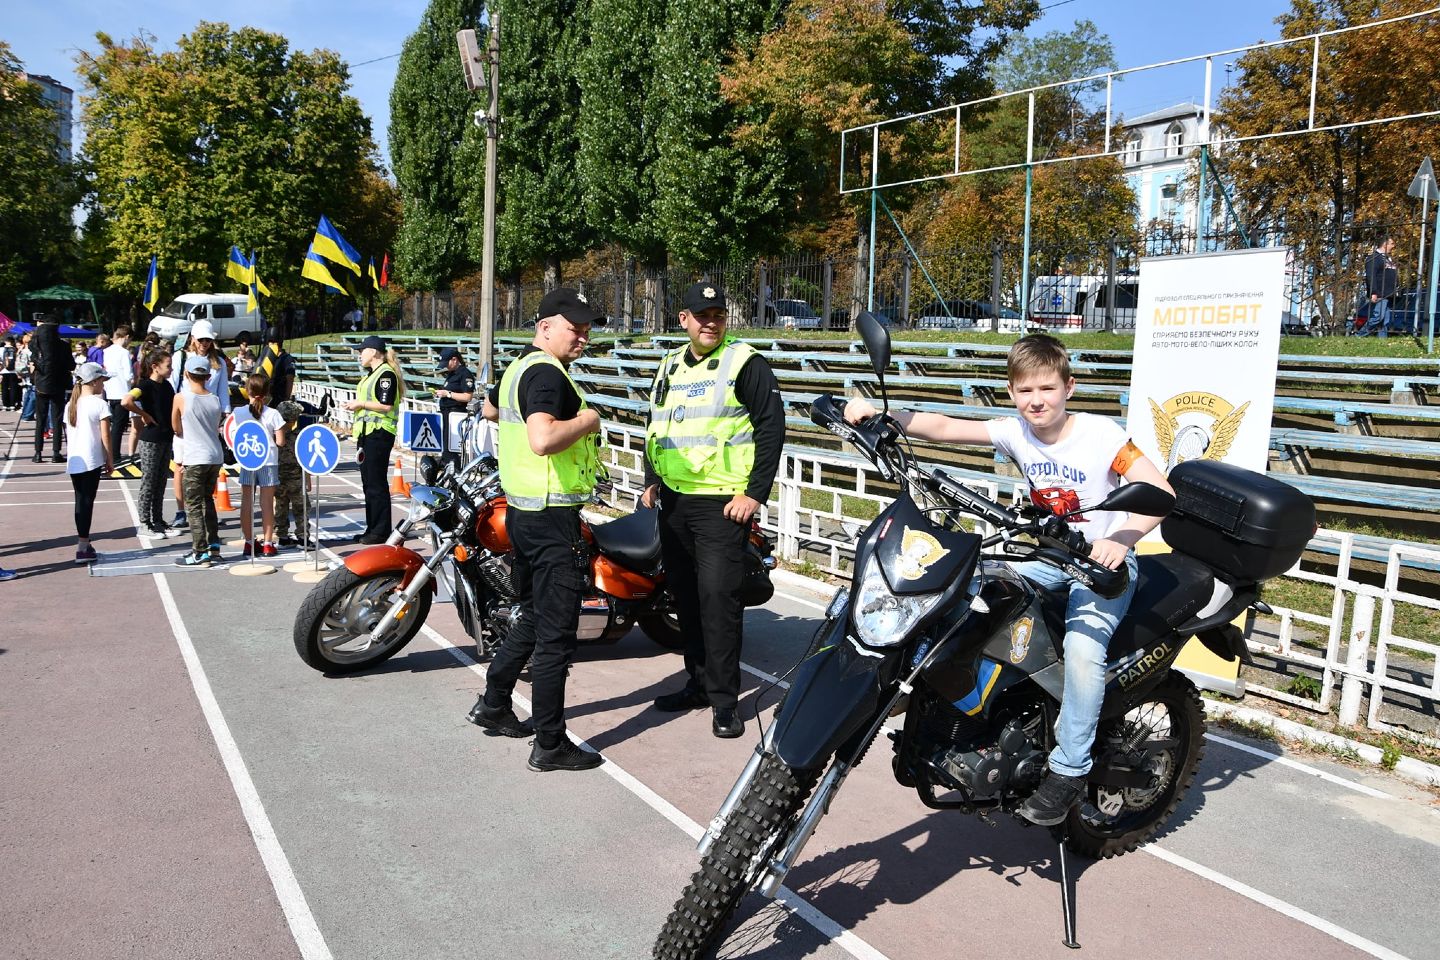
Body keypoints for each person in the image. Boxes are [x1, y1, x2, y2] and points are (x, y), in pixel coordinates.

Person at [843, 333, 1174, 826]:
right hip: (1045, 558)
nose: (1036, 401)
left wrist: (1121, 540)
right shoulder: (1016, 431)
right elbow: (945, 427)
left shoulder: (1102, 436)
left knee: (1084, 651)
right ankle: (935, 712)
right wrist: (882, 415)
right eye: (1024, 391)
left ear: (1069, 387)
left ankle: (1069, 769)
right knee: (964, 598)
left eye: (1046, 388)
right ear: (1012, 393)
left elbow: (1159, 489)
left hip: (1102, 567)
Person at [466, 288, 605, 773]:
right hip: (551, 519)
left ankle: (494, 703)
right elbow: (542, 437)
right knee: (555, 636)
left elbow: (491, 411)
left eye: (587, 329)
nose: (583, 337)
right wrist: (588, 420)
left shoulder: (520, 368)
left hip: (524, 513)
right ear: (545, 326)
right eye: (575, 327)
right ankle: (549, 744)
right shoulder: (546, 372)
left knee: (529, 616)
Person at [643, 282, 786, 739]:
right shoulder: (668, 366)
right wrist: (651, 478)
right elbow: (656, 426)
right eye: (701, 315)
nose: (711, 322)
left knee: (718, 603)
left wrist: (755, 494)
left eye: (718, 315)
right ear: (683, 319)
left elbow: (771, 429)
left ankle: (725, 702)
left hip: (724, 505)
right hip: (675, 503)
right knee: (685, 599)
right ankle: (698, 683)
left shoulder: (744, 363)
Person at [168, 320, 231, 531]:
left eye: (208, 339)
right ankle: (180, 511)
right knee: (181, 465)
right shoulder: (181, 357)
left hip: (208, 416)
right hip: (186, 416)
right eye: (201, 339)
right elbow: (172, 386)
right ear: (193, 339)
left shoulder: (218, 362)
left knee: (207, 465)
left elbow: (223, 392)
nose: (205, 343)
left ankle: (206, 511)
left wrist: (225, 418)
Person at [343, 335, 405, 544]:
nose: (359, 354)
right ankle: (372, 528)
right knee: (368, 483)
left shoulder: (386, 375)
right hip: (367, 433)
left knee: (376, 483)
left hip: (379, 433)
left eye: (363, 350)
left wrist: (360, 404)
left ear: (374, 352)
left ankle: (380, 531)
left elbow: (386, 405)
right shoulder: (373, 374)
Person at [171, 353, 226, 566]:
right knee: (207, 501)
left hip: (195, 455)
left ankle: (199, 551)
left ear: (186, 374)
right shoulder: (215, 399)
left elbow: (176, 427)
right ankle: (213, 546)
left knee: (193, 505)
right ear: (208, 375)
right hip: (214, 455)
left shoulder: (181, 397)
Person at [123, 348, 177, 538]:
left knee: (161, 481)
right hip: (150, 439)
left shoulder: (168, 386)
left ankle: (158, 520)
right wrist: (144, 415)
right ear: (155, 366)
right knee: (149, 481)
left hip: (166, 437)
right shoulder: (144, 385)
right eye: (168, 366)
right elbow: (126, 401)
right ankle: (144, 522)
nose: (171, 369)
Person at [231, 373, 287, 557]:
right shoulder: (274, 414)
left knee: (247, 502)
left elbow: (231, 434)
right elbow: (280, 441)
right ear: (267, 392)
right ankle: (268, 543)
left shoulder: (239, 413)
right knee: (267, 504)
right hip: (269, 460)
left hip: (248, 460)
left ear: (247, 391)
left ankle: (248, 542)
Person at [66, 363, 114, 564]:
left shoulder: (71, 404)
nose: (104, 384)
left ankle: (85, 542)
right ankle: (82, 546)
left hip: (75, 460)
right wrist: (110, 459)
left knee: (80, 502)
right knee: (86, 503)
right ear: (94, 381)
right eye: (103, 380)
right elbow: (105, 436)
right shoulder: (99, 403)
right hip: (91, 460)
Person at [30, 315, 74, 463]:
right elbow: (71, 366)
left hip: (41, 384)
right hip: (58, 384)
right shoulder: (63, 345)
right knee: (57, 419)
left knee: (40, 419)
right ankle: (56, 452)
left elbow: (34, 361)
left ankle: (38, 453)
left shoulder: (36, 345)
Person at [274, 400, 312, 549]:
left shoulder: (273, 435)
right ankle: (303, 538)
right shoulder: (299, 436)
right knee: (301, 508)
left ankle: (282, 537)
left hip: (278, 478)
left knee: (280, 507)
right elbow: (305, 459)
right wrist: (308, 479)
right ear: (294, 419)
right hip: (296, 478)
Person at [435, 346, 475, 462]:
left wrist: (448, 394)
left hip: (455, 414)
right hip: (446, 413)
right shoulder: (451, 373)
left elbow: (468, 396)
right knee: (445, 447)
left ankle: (454, 470)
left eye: (447, 363)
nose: (446, 367)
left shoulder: (464, 374)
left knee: (451, 449)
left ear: (454, 359)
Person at [101, 325, 135, 462]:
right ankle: (114, 454)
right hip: (122, 392)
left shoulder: (107, 351)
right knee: (119, 427)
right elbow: (128, 375)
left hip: (110, 391)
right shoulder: (124, 352)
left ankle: (111, 452)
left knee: (114, 424)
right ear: (126, 337)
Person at [1358, 236, 1399, 337]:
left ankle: (1382, 341)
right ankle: (1359, 335)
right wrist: (1373, 292)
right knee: (1378, 317)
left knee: (1385, 320)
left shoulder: (1388, 259)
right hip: (1380, 292)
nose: (1393, 246)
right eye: (1391, 244)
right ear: (1385, 244)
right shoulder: (1374, 258)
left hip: (1389, 293)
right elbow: (1371, 276)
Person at [257, 329, 296, 404]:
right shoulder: (264, 357)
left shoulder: (287, 358)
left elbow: (290, 379)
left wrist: (287, 398)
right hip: (263, 396)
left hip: (278, 397)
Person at [19, 331, 36, 421]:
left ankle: (25, 413)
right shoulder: (29, 351)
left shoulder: (21, 350)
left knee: (28, 394)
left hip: (24, 372)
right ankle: (27, 414)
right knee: (32, 394)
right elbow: (32, 363)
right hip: (31, 373)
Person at [0, 336, 19, 410]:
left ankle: (5, 405)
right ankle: (12, 405)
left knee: (4, 388)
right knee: (13, 388)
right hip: (14, 371)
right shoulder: (16, 349)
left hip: (3, 371)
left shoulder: (1, 349)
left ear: (6, 341)